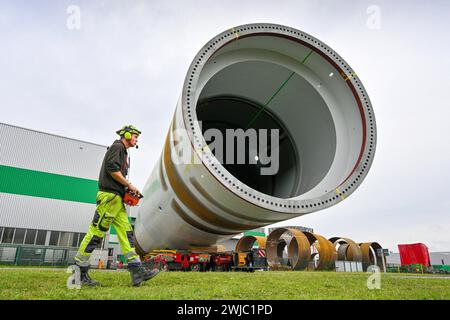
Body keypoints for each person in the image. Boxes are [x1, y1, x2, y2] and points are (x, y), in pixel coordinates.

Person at [74, 125, 159, 286]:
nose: (136, 139)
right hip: (109, 197)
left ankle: (137, 271)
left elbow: (116, 173)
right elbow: (112, 169)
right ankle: (79, 271)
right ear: (126, 135)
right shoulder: (117, 147)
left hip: (116, 199)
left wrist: (126, 188)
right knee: (96, 233)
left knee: (126, 233)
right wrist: (129, 185)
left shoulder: (123, 151)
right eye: (135, 136)